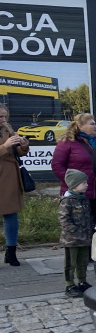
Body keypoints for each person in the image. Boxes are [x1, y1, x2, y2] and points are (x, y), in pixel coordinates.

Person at [51, 113, 96, 223]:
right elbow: (57, 165)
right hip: (76, 193)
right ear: (81, 126)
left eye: (95, 124)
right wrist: (73, 183)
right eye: (92, 124)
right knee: (77, 227)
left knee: (94, 226)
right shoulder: (67, 142)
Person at [0, 103, 31, 267]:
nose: (3, 120)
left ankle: (11, 252)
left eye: (5, 116)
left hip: (9, 175)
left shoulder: (7, 128)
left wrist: (23, 145)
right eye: (0, 117)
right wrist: (4, 146)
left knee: (11, 214)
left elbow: (17, 151)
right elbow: (6, 148)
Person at [59, 169, 93, 297]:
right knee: (70, 263)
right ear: (74, 184)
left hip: (84, 239)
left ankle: (82, 281)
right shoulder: (67, 201)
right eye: (83, 183)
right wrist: (75, 232)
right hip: (71, 240)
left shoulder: (83, 199)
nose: (87, 185)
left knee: (82, 262)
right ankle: (69, 285)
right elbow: (64, 220)